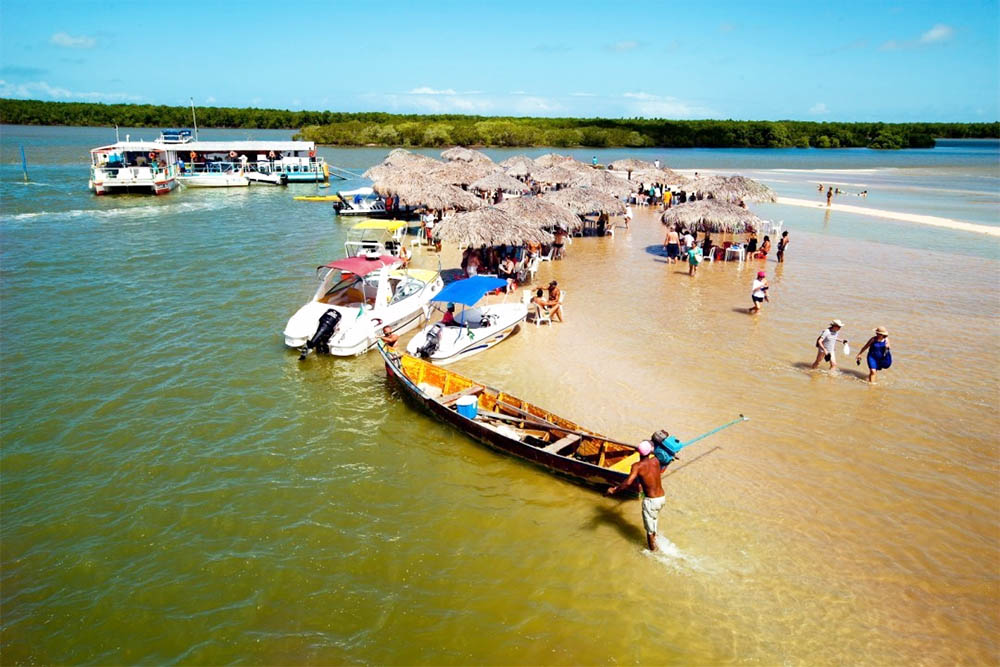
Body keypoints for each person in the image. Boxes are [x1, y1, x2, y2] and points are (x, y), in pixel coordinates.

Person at [606, 440, 666, 551]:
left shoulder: (637, 466)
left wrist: (614, 490)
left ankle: (652, 553)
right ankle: (656, 543)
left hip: (651, 501)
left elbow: (628, 482)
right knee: (653, 522)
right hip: (662, 498)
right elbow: (663, 466)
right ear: (650, 452)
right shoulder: (656, 461)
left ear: (638, 452)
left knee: (649, 531)